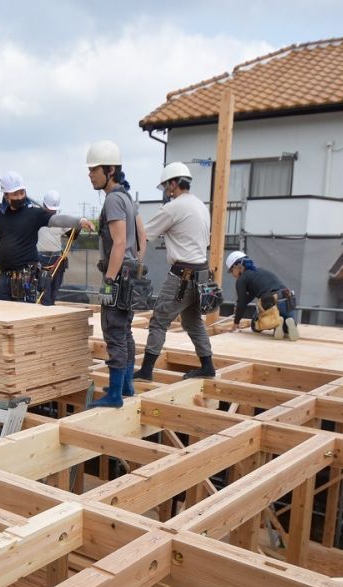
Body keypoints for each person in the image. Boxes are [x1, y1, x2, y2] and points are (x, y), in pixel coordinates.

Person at [0, 172, 87, 303]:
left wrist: (78, 221)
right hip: (4, 278)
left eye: (22, 192)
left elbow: (57, 220)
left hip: (25, 278)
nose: (20, 197)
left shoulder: (34, 214)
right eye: (15, 194)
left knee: (24, 318)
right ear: (6, 195)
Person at [135, 163, 215, 381]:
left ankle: (146, 371)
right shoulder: (200, 205)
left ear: (173, 183)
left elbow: (144, 233)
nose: (166, 192)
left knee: (159, 320)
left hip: (183, 275)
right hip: (201, 274)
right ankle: (207, 366)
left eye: (166, 187)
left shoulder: (174, 207)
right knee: (193, 321)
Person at [86, 140, 146, 408]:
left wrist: (109, 281)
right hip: (130, 274)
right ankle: (126, 387)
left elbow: (120, 243)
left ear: (109, 170)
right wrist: (135, 265)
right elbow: (142, 237)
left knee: (113, 332)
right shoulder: (127, 198)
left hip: (118, 276)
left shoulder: (112, 200)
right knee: (126, 332)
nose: (90, 175)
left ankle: (114, 396)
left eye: (93, 170)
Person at [225, 251, 299, 340]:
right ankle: (286, 326)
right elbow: (250, 296)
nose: (232, 274)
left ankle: (278, 322)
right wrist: (240, 306)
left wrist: (236, 324)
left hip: (272, 302)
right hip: (288, 299)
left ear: (237, 266)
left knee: (255, 326)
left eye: (231, 270)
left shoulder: (242, 279)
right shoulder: (261, 271)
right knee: (287, 327)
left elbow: (242, 302)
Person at [36, 190, 78, 306]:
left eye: (54, 210)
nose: (52, 212)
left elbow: (72, 236)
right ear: (43, 205)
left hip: (56, 260)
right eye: (50, 209)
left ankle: (49, 308)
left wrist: (78, 225)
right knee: (43, 291)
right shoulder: (36, 217)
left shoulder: (59, 219)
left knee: (53, 291)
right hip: (40, 259)